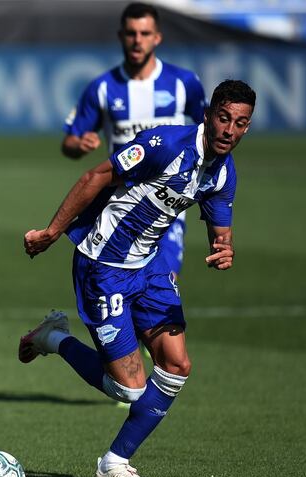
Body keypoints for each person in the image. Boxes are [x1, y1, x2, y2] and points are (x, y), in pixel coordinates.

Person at [20, 80, 256, 477]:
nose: (229, 130)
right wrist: (53, 231)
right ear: (208, 115)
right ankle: (53, 338)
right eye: (223, 119)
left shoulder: (223, 174)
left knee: (177, 365)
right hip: (103, 266)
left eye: (239, 123)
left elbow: (222, 233)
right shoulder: (165, 144)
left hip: (150, 269)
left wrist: (225, 249)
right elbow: (97, 175)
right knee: (129, 390)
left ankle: (114, 462)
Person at [62, 2, 207, 281]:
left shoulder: (184, 83)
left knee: (163, 286)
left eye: (144, 33)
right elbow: (69, 142)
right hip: (118, 204)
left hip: (168, 202)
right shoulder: (102, 88)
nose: (137, 40)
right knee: (116, 292)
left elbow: (208, 132)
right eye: (131, 33)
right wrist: (78, 145)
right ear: (121, 36)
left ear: (157, 37)